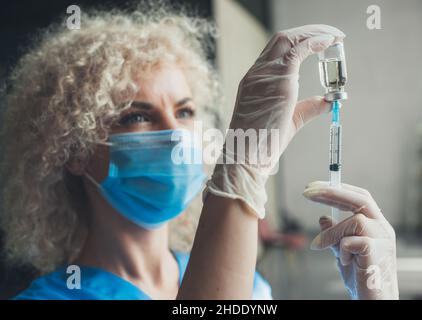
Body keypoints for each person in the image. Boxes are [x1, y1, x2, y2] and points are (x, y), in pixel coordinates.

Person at [0, 4, 398, 300]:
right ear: (73, 148)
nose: (176, 135)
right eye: (137, 116)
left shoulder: (249, 282)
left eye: (185, 111)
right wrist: (242, 169)